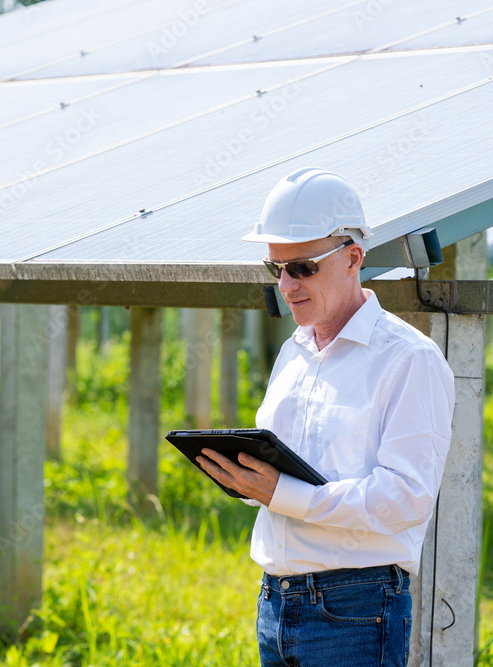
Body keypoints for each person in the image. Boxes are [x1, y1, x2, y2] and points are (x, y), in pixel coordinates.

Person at [195, 167, 454, 667]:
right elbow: (291, 474)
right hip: (276, 601)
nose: (287, 284)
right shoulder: (293, 353)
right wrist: (252, 481)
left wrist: (283, 493)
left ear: (353, 257)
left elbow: (407, 497)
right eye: (277, 270)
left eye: (304, 267)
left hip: (356, 607)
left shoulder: (407, 359)